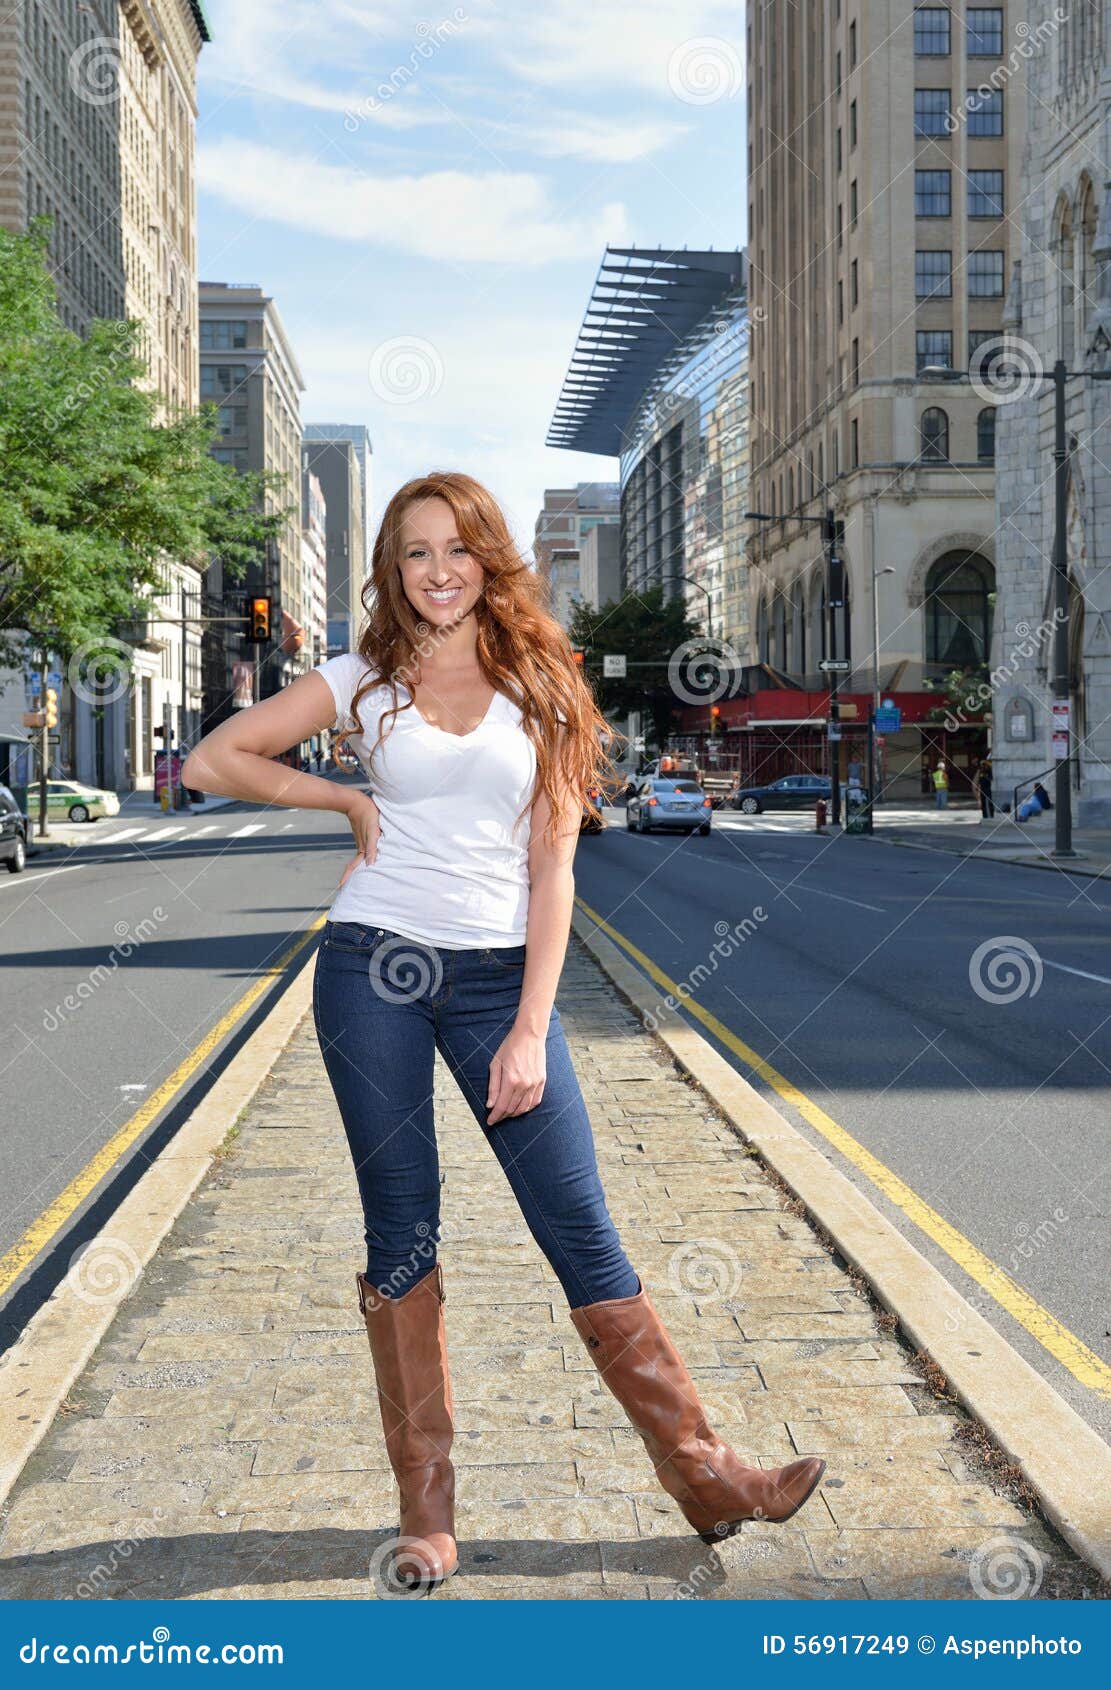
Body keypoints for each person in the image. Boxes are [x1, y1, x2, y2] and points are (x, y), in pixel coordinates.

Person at [182, 471, 826, 1593]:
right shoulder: (362, 676)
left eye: (457, 549)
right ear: (395, 568)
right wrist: (344, 802)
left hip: (495, 987)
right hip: (370, 970)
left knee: (581, 1229)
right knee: (403, 1236)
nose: (437, 570)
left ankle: (706, 1473)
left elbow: (554, 866)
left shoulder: (541, 680)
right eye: (414, 552)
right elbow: (215, 758)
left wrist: (531, 1027)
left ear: (489, 559)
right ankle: (425, 1514)